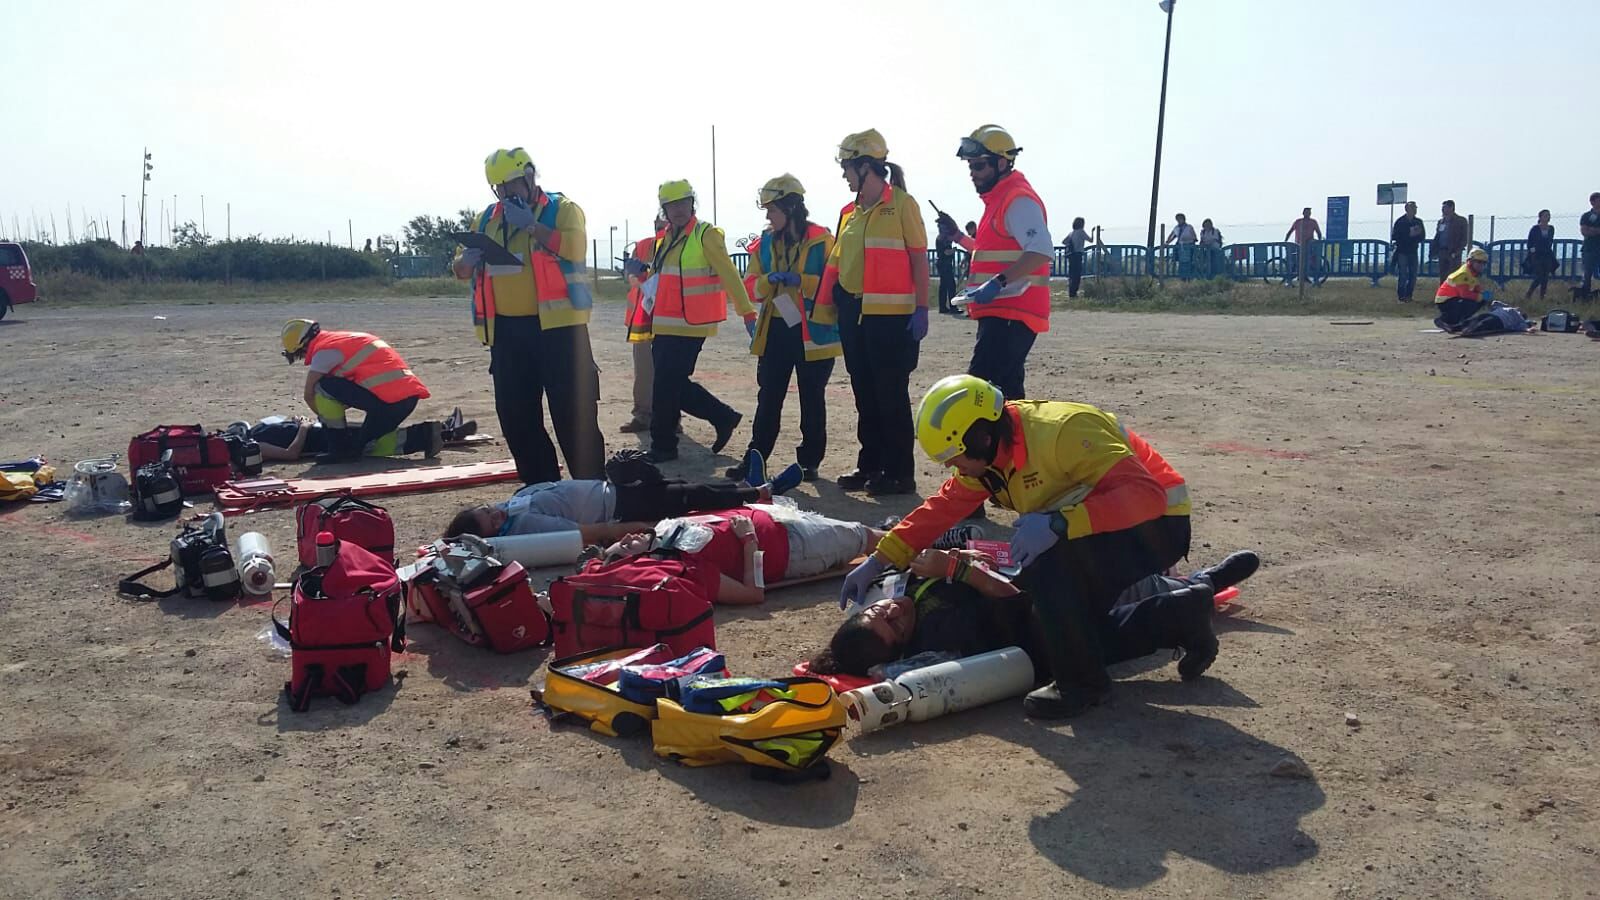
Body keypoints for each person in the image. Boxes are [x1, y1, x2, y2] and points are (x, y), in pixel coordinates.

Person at [838, 374, 1205, 719]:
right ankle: (1183, 614)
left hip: (1157, 528)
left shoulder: (1062, 432)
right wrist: (880, 559)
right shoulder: (993, 457)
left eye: (954, 456)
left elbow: (1147, 496)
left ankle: (1083, 684)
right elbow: (941, 508)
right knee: (1063, 624)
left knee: (1051, 583)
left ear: (980, 438)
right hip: (1108, 527)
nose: (953, 466)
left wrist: (1061, 523)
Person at [811, 548, 1259, 679]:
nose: (893, 610)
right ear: (903, 645)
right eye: (894, 625)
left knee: (1135, 596)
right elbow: (1012, 601)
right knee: (1134, 608)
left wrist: (963, 556)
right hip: (1045, 609)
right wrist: (958, 570)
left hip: (1039, 575)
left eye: (880, 611)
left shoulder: (903, 590)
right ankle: (1204, 587)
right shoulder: (942, 631)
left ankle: (1199, 589)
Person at [452, 147, 605, 484]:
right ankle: (541, 488)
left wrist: (533, 227)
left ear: (530, 176)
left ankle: (592, 489)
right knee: (516, 416)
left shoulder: (562, 210)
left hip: (560, 330)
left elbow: (576, 249)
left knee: (573, 415)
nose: (506, 193)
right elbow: (460, 269)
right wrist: (465, 263)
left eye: (511, 184)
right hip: (507, 333)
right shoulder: (485, 219)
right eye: (499, 188)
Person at [819, 129, 931, 497]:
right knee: (864, 394)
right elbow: (839, 261)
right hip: (855, 313)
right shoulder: (849, 213)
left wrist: (922, 307)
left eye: (847, 167)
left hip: (891, 318)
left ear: (866, 166)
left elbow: (919, 258)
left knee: (890, 396)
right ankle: (870, 465)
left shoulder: (902, 204)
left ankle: (899, 474)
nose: (844, 174)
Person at [934, 125, 1054, 405]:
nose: (972, 173)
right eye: (970, 166)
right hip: (1003, 312)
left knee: (981, 394)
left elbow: (1041, 250)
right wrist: (958, 237)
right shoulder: (1000, 199)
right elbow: (990, 254)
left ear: (1001, 163)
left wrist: (998, 283)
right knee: (1006, 397)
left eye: (979, 166)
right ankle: (1015, 434)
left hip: (1011, 311)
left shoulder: (1017, 199)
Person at [731, 175, 840, 484]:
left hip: (814, 332)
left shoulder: (822, 239)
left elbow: (835, 282)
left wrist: (802, 282)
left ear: (790, 208)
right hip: (776, 329)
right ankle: (755, 459)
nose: (768, 216)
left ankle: (809, 463)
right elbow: (751, 285)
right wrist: (769, 281)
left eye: (772, 210)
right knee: (769, 398)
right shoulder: (765, 242)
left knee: (812, 398)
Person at [645, 179, 757, 464]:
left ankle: (663, 444)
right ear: (664, 210)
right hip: (664, 323)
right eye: (672, 205)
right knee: (669, 383)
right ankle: (721, 417)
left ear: (692, 204)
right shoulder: (664, 239)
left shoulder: (706, 234)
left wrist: (747, 312)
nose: (678, 210)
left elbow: (730, 274)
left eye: (683, 203)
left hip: (692, 322)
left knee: (666, 384)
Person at [591, 506, 887, 606]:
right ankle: (910, 541)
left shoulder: (663, 533)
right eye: (626, 547)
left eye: (621, 541)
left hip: (778, 518)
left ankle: (898, 532)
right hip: (793, 548)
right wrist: (748, 541)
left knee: (864, 533)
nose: (627, 538)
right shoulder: (682, 569)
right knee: (867, 537)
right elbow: (752, 593)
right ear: (640, 562)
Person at [443, 465, 805, 543]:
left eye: (487, 509)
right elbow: (587, 532)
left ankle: (746, 486)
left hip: (616, 490)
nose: (495, 513)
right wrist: (638, 529)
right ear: (495, 535)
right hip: (622, 508)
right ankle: (759, 493)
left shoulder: (513, 505)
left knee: (686, 486)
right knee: (690, 495)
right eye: (492, 520)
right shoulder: (526, 526)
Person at [278, 319, 433, 462]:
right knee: (358, 447)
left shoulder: (324, 352)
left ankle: (337, 447)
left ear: (303, 345)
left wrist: (324, 421)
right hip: (404, 399)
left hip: (389, 404)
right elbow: (352, 390)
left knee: (321, 386)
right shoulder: (343, 340)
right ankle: (428, 435)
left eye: (300, 354)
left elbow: (309, 394)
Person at [620, 217, 667, 435]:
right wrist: (634, 274)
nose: (661, 230)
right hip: (642, 317)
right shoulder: (643, 246)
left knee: (668, 370)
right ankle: (643, 414)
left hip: (668, 316)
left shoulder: (678, 247)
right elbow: (631, 278)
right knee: (644, 370)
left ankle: (669, 417)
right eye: (659, 226)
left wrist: (644, 275)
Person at [241, 413, 458, 461]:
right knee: (383, 440)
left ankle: (442, 431)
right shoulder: (253, 445)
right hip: (327, 440)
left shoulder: (255, 431)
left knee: (380, 428)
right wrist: (304, 428)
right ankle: (437, 434)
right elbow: (291, 453)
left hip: (325, 428)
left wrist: (296, 422)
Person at [1434, 247, 1491, 331]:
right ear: (1470, 261)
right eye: (1479, 262)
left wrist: (1486, 296)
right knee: (1468, 303)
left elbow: (1477, 289)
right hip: (1445, 300)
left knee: (1479, 301)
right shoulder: (1463, 274)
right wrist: (1481, 296)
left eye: (1484, 263)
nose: (1481, 265)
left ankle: (1459, 322)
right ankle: (1443, 320)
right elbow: (1464, 294)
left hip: (1455, 298)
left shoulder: (1473, 273)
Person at [1390, 201, 1427, 302]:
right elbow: (1395, 236)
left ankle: (1409, 296)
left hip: (1413, 251)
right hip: (1402, 252)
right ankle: (1401, 296)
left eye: (1415, 208)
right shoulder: (1400, 221)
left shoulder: (1418, 222)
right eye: (1412, 208)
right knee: (1402, 275)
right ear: (1407, 209)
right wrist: (1407, 235)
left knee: (1413, 275)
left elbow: (1422, 236)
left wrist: (1416, 236)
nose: (1414, 210)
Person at [1434, 200, 1469, 285]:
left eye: (1445, 208)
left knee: (1454, 276)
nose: (1443, 210)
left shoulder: (1461, 221)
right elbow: (1438, 236)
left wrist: (1457, 251)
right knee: (1443, 276)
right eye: (1442, 208)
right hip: (1442, 252)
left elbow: (1464, 238)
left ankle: (1453, 292)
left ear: (1451, 208)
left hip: (1453, 253)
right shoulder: (1441, 222)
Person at [1285, 207, 1322, 284]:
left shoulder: (1313, 222)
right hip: (1298, 245)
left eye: (1309, 212)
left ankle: (1306, 276)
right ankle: (1299, 276)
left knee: (1308, 260)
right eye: (1307, 212)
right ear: (1303, 213)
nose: (1308, 214)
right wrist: (1285, 241)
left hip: (1309, 245)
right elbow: (1290, 232)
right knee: (1299, 261)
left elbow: (1319, 233)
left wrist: (1318, 242)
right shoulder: (1298, 222)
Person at [1526, 210, 1557, 301]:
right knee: (1540, 276)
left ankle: (1542, 297)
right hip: (1537, 255)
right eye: (1545, 215)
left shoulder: (1551, 228)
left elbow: (1550, 241)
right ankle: (1529, 293)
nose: (1547, 217)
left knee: (1545, 277)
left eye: (1548, 215)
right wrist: (1533, 253)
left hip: (1547, 254)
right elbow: (1530, 242)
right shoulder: (1535, 229)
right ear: (1540, 217)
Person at [1063, 217, 1093, 298]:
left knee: (1072, 274)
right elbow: (1091, 240)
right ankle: (1074, 292)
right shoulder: (1081, 232)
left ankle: (1071, 292)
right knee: (1077, 275)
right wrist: (1093, 232)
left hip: (1071, 255)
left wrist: (1071, 245)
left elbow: (1064, 241)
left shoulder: (1071, 233)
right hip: (1078, 255)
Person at [1581, 192, 1600, 297]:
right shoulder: (1586, 216)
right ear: (1592, 202)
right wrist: (1596, 231)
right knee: (1587, 273)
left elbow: (1589, 230)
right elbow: (1585, 231)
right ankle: (1585, 295)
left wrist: (1593, 229)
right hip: (1589, 248)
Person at [935, 232, 959, 314]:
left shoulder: (940, 238)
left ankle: (942, 307)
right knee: (951, 286)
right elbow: (946, 252)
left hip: (941, 264)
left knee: (943, 286)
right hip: (945, 264)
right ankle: (953, 307)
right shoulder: (943, 239)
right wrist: (953, 250)